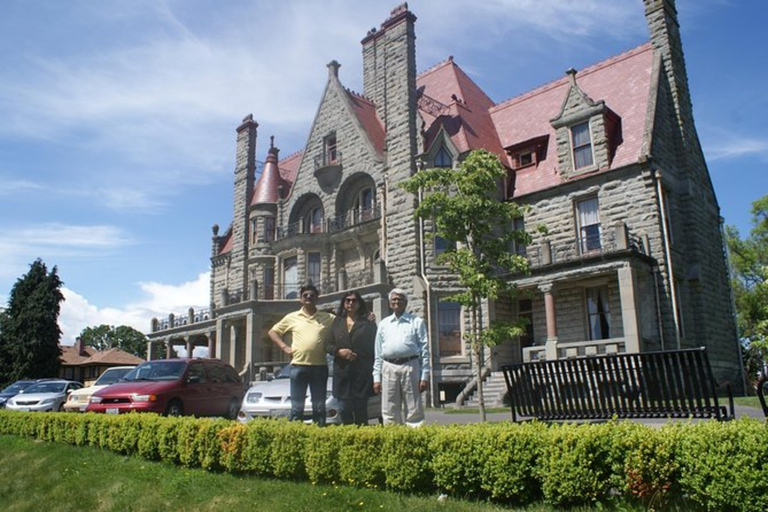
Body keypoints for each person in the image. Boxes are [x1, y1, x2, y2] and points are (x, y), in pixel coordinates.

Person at [268, 284, 333, 425]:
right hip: (298, 367)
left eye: (312, 295)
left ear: (317, 298)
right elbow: (273, 332)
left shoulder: (327, 317)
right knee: (297, 408)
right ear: (301, 299)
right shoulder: (292, 317)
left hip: (320, 367)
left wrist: (367, 316)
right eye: (305, 295)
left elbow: (346, 323)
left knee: (319, 407)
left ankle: (319, 436)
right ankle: (296, 438)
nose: (308, 297)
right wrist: (284, 347)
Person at [372, 288, 430, 427]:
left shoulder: (416, 322)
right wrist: (376, 377)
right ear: (390, 303)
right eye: (394, 299)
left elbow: (425, 350)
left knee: (413, 406)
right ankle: (393, 436)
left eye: (400, 299)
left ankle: (415, 437)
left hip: (410, 366)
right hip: (388, 367)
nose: (396, 302)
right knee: (389, 406)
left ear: (405, 302)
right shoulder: (383, 324)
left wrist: (425, 376)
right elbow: (378, 352)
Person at [327, 291, 377, 425]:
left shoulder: (367, 322)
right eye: (347, 300)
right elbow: (327, 344)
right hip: (342, 374)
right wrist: (338, 352)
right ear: (343, 304)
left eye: (354, 301)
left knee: (361, 412)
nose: (350, 303)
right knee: (344, 410)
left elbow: (375, 346)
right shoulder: (336, 322)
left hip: (361, 375)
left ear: (359, 303)